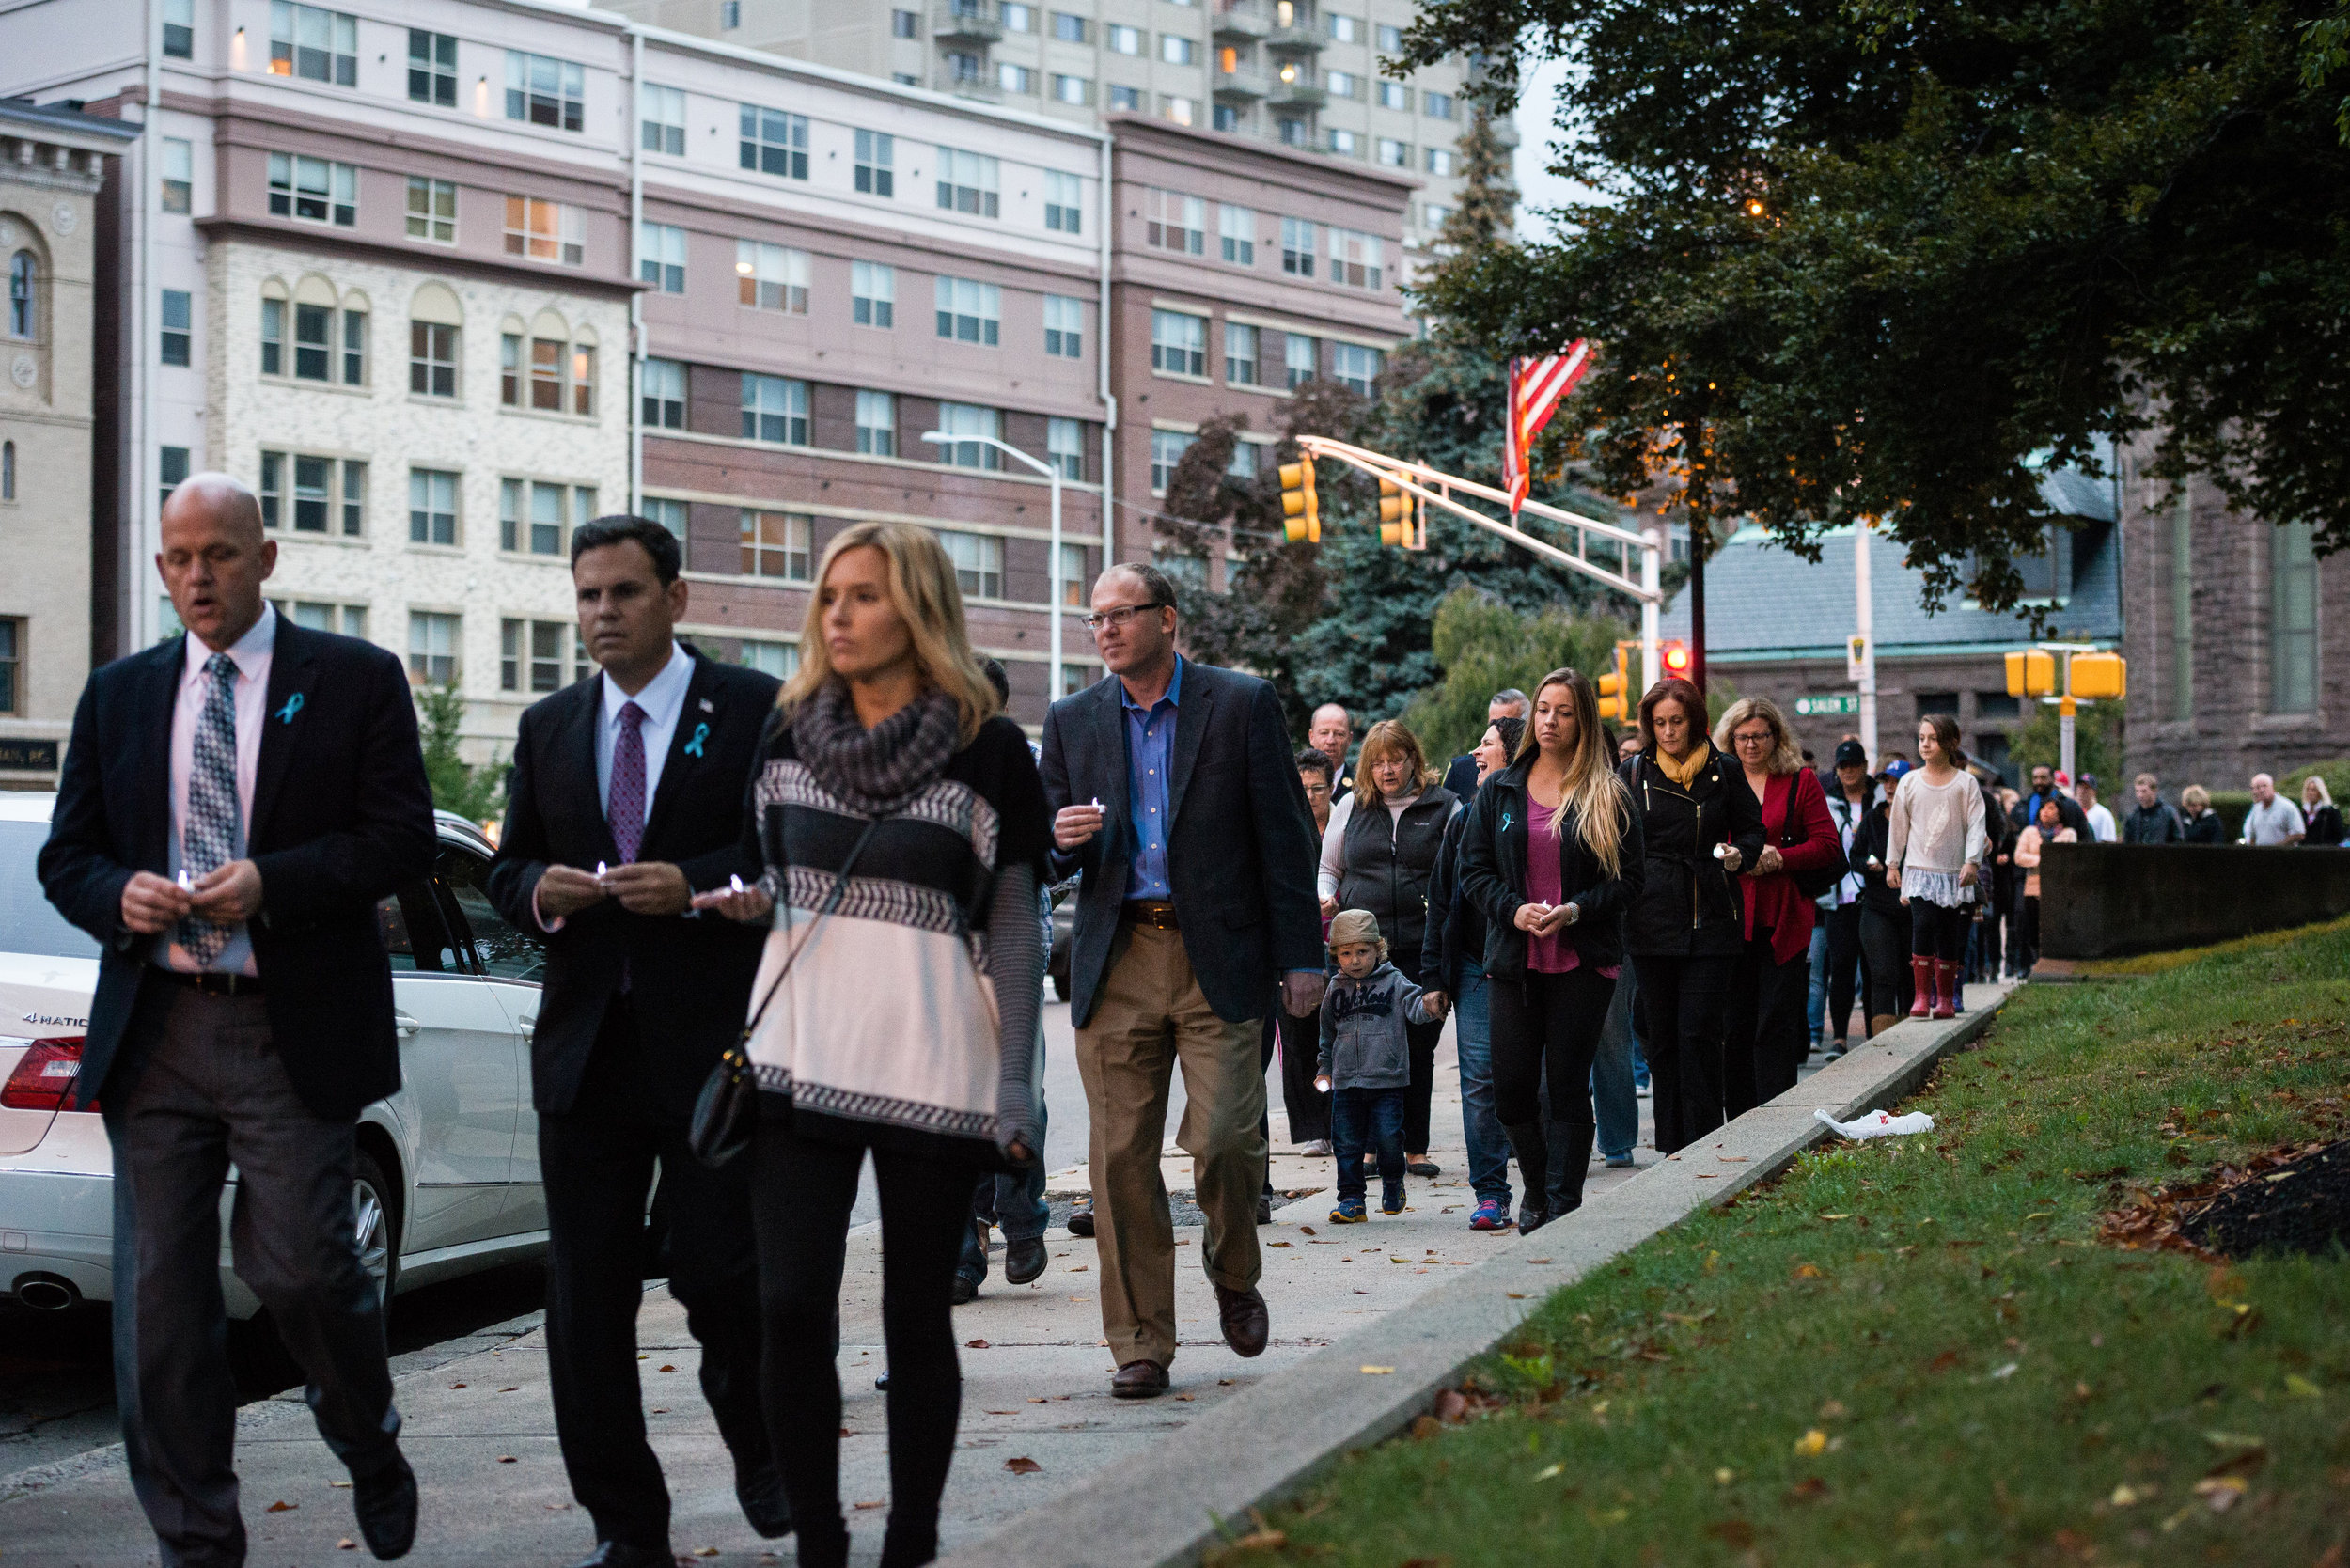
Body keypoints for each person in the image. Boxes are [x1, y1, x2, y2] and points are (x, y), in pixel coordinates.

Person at [37, 474, 432, 1565]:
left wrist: (274, 881)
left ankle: (365, 1432)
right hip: (156, 1028)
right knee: (159, 1313)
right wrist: (117, 894)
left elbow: (399, 839)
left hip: (287, 1025)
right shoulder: (119, 695)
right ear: (160, 565)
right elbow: (65, 856)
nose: (198, 577)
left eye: (219, 554)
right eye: (178, 558)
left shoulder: (354, 681)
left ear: (267, 557)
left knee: (304, 1269)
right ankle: (196, 1540)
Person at [693, 522, 1048, 1568]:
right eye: (829, 596)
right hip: (801, 1058)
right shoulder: (790, 728)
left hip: (932, 1060)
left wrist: (1018, 1083)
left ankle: (911, 1538)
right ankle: (820, 1541)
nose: (835, 616)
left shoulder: (988, 746)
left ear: (918, 608)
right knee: (790, 1302)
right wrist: (743, 903)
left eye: (862, 596)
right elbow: (777, 879)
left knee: (913, 1314)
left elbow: (1015, 923)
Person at [485, 517, 787, 1568]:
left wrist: (696, 890)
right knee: (586, 1303)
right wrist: (537, 892)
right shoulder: (550, 724)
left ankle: (760, 1443)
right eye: (587, 597)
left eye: (622, 593)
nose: (601, 614)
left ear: (675, 598)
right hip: (584, 1051)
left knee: (721, 1275)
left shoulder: (752, 710)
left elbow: (786, 856)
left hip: (711, 1049)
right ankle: (627, 1526)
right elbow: (505, 865)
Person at [1039, 563, 1324, 1401]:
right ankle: (1140, 1343)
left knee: (1228, 1139)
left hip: (1219, 958)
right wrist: (1060, 837)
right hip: (1117, 953)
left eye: (1123, 614)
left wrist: (1301, 957)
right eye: (1096, 619)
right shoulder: (1073, 719)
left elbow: (1284, 837)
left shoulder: (1239, 704)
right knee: (1120, 1158)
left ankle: (1234, 1273)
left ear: (1168, 618)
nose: (1107, 630)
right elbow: (1048, 846)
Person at [1454, 668, 1640, 1231]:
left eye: (1563, 710)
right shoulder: (1504, 788)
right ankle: (1535, 1185)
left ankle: (1562, 1202)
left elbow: (1629, 879)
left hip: (1582, 959)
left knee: (1565, 1088)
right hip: (1515, 960)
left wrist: (1577, 908)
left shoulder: (1606, 792)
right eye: (1543, 709)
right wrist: (1512, 910)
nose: (1551, 720)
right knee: (1511, 1091)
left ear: (1582, 718)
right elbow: (1473, 870)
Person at [1617, 678, 1763, 1157]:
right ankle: (1671, 1144)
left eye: (1676, 722)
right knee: (1660, 1037)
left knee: (1699, 1030)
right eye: (1659, 723)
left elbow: (1752, 829)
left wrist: (1740, 854)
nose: (1668, 732)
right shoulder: (1632, 772)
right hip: (1651, 915)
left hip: (1711, 909)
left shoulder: (1724, 770)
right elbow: (1613, 839)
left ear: (1696, 721)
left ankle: (1704, 1138)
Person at [1316, 719, 1456, 1177]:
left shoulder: (1444, 807)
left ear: (1414, 759)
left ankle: (1415, 1148)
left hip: (1422, 946)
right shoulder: (1351, 806)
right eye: (1377, 762)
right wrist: (1326, 894)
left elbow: (1459, 872)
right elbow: (1329, 867)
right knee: (1365, 1046)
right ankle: (1374, 1150)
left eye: (1396, 760)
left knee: (1417, 1046)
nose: (1388, 770)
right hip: (1363, 953)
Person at [959, 659, 1054, 1301]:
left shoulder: (1012, 760)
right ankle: (966, 1248)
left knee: (1023, 1101)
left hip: (1014, 962)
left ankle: (1022, 1223)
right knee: (956, 1112)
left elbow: (1040, 877)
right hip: (941, 970)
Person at [1717, 698, 1841, 1113]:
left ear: (1776, 737)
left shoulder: (1800, 781)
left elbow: (1827, 845)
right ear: (1730, 738)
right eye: (1743, 737)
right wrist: (1729, 854)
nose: (1751, 745)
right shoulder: (1716, 779)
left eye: (1760, 736)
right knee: (1734, 1024)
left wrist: (1779, 857)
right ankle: (1736, 1120)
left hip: (1783, 915)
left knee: (1774, 1024)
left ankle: (1775, 1118)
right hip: (1730, 916)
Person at [1422, 714, 1522, 1230]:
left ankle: (1548, 1181)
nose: (1476, 753)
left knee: (1538, 1078)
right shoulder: (1463, 820)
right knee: (1480, 1080)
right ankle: (1490, 1192)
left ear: (1514, 752)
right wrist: (1434, 977)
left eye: (1486, 744)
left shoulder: (1539, 810)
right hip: (1472, 964)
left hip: (1530, 962)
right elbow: (1441, 900)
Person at [1317, 909, 1445, 1222]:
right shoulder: (1334, 989)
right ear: (1336, 955)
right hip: (1346, 1083)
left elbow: (1415, 1008)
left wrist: (1431, 1006)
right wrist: (1325, 1068)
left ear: (1379, 949)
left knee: (1389, 1139)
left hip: (1387, 1080)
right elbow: (1327, 1032)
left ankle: (1392, 1184)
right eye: (1346, 953)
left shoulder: (1395, 981)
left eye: (1363, 951)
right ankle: (1351, 1200)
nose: (1355, 960)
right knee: (1347, 1145)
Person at [1888, 714, 1987, 1019]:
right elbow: (1898, 826)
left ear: (1949, 742)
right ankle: (1921, 995)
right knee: (1923, 924)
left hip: (1952, 872)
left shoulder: (1965, 783)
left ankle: (1944, 997)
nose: (1925, 744)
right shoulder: (1910, 781)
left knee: (1949, 932)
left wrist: (1972, 862)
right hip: (1919, 870)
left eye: (1932, 738)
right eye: (1921, 738)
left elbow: (1976, 825)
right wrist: (1893, 864)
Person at [1816, 740, 1873, 1058]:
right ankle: (1839, 1037)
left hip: (1875, 895)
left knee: (1873, 967)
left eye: (1854, 765)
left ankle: (1873, 1033)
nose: (1849, 771)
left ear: (1864, 766)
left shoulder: (1879, 798)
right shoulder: (1828, 802)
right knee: (1841, 966)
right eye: (1843, 766)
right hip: (1840, 898)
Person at [1851, 759, 1911, 1031]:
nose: (1890, 786)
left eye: (1896, 781)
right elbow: (1854, 858)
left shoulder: (1920, 820)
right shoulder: (1873, 819)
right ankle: (1883, 1044)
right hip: (1877, 907)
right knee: (1883, 974)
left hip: (1912, 907)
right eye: (1886, 780)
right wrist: (1871, 866)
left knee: (1911, 977)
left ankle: (1912, 1037)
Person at [2012, 798, 2075, 976]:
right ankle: (2033, 962)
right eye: (2044, 808)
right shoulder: (2030, 832)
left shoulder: (2068, 833)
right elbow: (2019, 856)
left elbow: (2066, 857)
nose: (2046, 812)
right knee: (2031, 926)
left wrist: (2046, 859)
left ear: (2060, 813)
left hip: (2057, 888)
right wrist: (2042, 859)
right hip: (2033, 887)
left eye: (2051, 808)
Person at [1441, 688, 1530, 800]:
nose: (1496, 728)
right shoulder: (1460, 769)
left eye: (1506, 724)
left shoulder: (1539, 772)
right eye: (1493, 723)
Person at [2021, 763, 2091, 837]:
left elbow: (2084, 836)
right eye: (2035, 778)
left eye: (2043, 778)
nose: (2039, 782)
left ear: (2053, 779)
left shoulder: (2070, 806)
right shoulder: (2023, 806)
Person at [2241, 773, 2306, 845]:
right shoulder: (2256, 809)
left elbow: (2299, 833)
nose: (2262, 790)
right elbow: (2253, 836)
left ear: (2272, 787)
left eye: (2265, 786)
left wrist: (2280, 846)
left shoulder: (2288, 807)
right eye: (2258, 787)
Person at [1308, 702, 1357, 792]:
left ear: (1349, 739)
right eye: (1324, 733)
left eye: (1339, 734)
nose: (1330, 741)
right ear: (1311, 737)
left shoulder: (1360, 788)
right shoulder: (1295, 785)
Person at [2123, 774, 2185, 844]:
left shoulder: (2168, 813)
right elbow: (2127, 841)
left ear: (2154, 790)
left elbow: (2178, 839)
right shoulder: (2133, 816)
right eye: (2137, 791)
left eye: (2144, 791)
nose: (2140, 795)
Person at [2300, 776, 2345, 847]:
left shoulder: (2330, 812)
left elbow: (2339, 836)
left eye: (2313, 790)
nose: (2310, 793)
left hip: (2324, 852)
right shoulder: (2303, 812)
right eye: (2308, 790)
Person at [2076, 774, 2118, 842]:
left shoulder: (2103, 814)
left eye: (2086, 788)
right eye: (2080, 787)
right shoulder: (2073, 811)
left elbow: (2109, 842)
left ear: (2094, 792)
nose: (2082, 791)